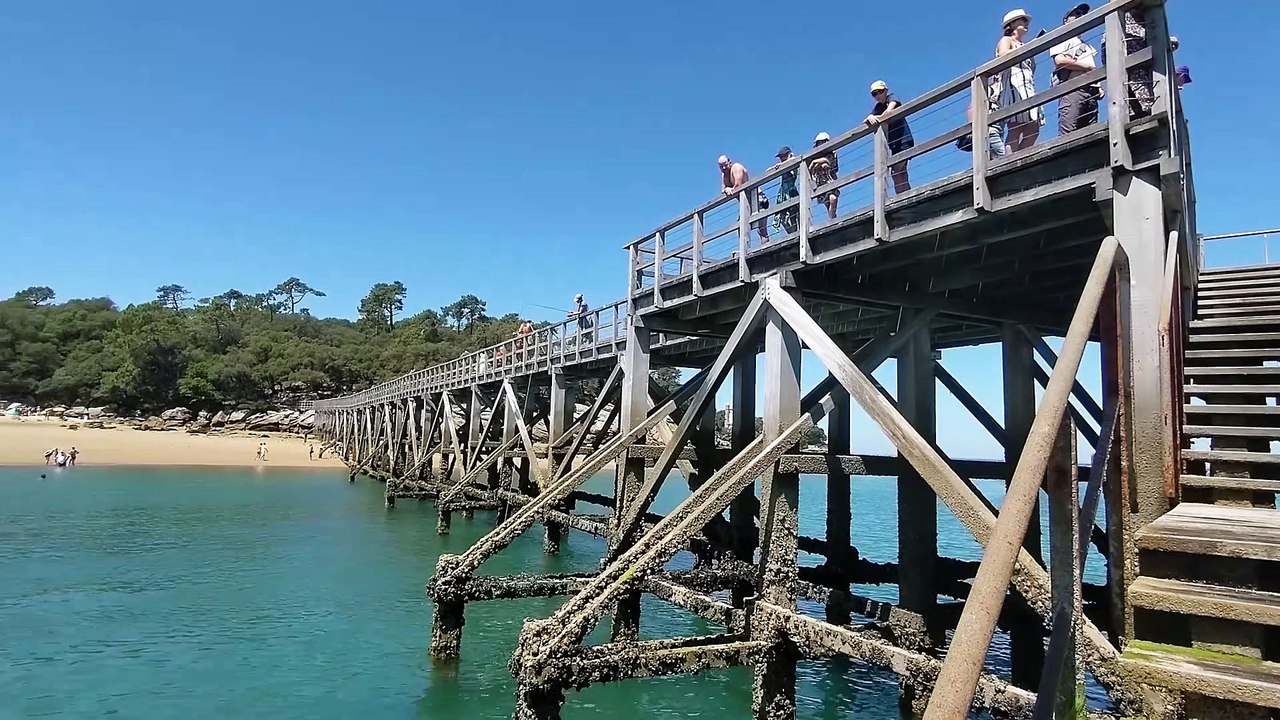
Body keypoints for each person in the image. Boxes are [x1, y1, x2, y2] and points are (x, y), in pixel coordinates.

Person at [995, 9, 1043, 154]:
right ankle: (1010, 161)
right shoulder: (1006, 40)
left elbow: (1032, 68)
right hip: (1012, 86)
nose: (1026, 23)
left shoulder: (1023, 44)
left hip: (1027, 87)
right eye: (1023, 20)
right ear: (1013, 23)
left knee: (1033, 127)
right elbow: (1003, 55)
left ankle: (1019, 157)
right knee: (1015, 127)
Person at [1051, 4, 1100, 136]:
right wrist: (1087, 67)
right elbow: (1060, 61)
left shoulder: (1086, 45)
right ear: (1066, 20)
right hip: (1073, 88)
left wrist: (1098, 86)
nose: (1081, 16)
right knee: (1068, 132)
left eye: (1082, 14)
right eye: (1076, 13)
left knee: (1091, 135)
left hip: (1090, 91)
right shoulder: (1062, 37)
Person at [866, 80, 914, 194]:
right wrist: (869, 117)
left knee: (896, 169)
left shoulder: (892, 98)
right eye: (874, 93)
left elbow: (889, 111)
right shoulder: (878, 107)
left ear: (886, 91)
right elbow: (866, 120)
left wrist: (877, 117)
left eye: (880, 91)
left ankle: (901, 196)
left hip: (903, 140)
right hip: (894, 144)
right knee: (901, 170)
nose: (877, 95)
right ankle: (906, 194)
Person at [718, 155, 769, 244]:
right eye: (721, 166)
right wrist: (726, 189)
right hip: (746, 202)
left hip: (757, 198)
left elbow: (738, 186)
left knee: (761, 229)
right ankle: (745, 249)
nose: (724, 168)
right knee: (741, 227)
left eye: (725, 165)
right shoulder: (724, 175)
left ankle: (766, 247)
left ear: (730, 162)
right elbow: (723, 190)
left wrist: (730, 189)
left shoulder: (736, 167)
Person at [808, 133, 839, 220]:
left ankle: (832, 217)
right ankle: (833, 218)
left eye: (822, 142)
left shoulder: (832, 152)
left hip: (830, 180)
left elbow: (828, 160)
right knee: (827, 202)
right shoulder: (815, 154)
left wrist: (814, 163)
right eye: (819, 142)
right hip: (820, 182)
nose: (820, 144)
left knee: (833, 198)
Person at [770, 146, 799, 234]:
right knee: (781, 217)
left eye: (783, 156)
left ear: (788, 154)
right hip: (782, 192)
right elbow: (768, 170)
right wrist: (778, 166)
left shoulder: (793, 161)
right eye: (780, 157)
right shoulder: (782, 164)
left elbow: (794, 159)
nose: (782, 159)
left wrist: (785, 162)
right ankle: (792, 234)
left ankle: (795, 234)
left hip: (791, 191)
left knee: (793, 216)